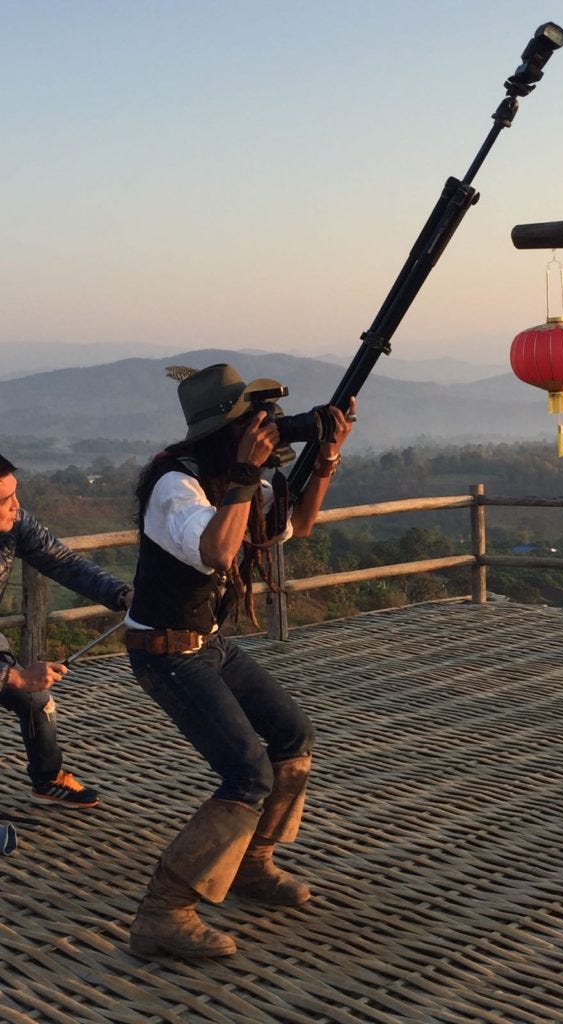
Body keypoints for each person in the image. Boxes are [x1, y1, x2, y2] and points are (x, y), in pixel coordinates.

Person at [125, 363, 355, 960]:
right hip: (165, 651)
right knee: (247, 773)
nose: (269, 428)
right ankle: (163, 913)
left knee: (292, 733)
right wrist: (249, 473)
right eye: (256, 421)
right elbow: (217, 550)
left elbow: (296, 523)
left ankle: (252, 864)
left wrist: (325, 456)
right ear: (224, 432)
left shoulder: (232, 478)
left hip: (208, 642)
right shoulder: (177, 485)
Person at [0, 453, 133, 809]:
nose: (16, 506)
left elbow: (62, 561)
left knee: (35, 700)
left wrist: (122, 595)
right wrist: (12, 677)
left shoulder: (14, 524)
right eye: (4, 500)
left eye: (15, 494)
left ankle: (48, 779)